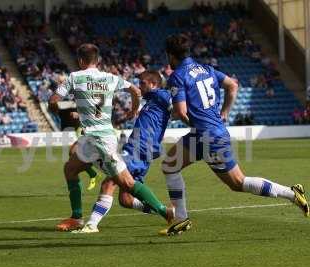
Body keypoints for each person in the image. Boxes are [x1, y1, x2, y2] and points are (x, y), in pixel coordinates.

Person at [162, 34, 309, 234]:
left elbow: (181, 111)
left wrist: (187, 120)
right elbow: (232, 85)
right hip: (210, 133)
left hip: (206, 136)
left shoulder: (177, 76)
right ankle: (181, 219)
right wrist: (224, 113)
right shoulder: (207, 69)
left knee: (236, 182)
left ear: (171, 55)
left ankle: (292, 193)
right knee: (172, 165)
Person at [49, 44, 175, 233]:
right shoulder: (110, 78)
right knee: (71, 168)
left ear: (81, 61)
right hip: (95, 136)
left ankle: (165, 212)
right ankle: (76, 218)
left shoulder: (74, 77)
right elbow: (135, 90)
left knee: (126, 183)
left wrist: (61, 114)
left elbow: (53, 101)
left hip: (100, 138)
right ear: (97, 61)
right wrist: (134, 108)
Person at [74, 71, 191, 234]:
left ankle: (91, 224)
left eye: (142, 82)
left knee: (110, 181)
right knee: (126, 199)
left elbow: (179, 101)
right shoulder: (152, 101)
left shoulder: (161, 95)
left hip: (139, 148)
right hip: (142, 151)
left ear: (153, 84)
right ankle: (168, 212)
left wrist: (189, 112)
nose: (139, 86)